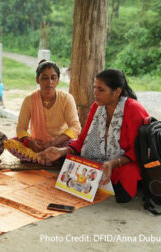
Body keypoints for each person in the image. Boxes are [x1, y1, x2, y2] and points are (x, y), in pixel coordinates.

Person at [39, 69, 149, 203]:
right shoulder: (97, 107)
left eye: (101, 90)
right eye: (95, 88)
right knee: (67, 159)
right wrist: (60, 151)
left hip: (125, 162)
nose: (95, 93)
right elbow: (83, 140)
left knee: (125, 181)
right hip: (100, 161)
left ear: (117, 92)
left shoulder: (133, 109)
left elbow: (138, 150)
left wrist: (114, 163)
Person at [4, 60, 81, 163]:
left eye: (53, 78)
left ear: (58, 80)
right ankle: (50, 159)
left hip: (60, 143)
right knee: (11, 143)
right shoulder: (29, 100)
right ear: (37, 80)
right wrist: (29, 142)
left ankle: (42, 158)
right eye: (44, 78)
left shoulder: (66, 98)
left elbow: (75, 127)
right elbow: (21, 129)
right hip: (37, 144)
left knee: (77, 146)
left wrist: (53, 143)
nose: (49, 82)